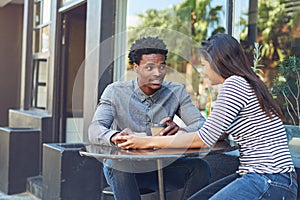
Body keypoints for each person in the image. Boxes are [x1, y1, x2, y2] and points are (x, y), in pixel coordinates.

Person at [115, 33, 298, 199]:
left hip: (269, 178)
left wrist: (146, 142)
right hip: (268, 178)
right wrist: (182, 131)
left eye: (204, 65)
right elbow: (217, 134)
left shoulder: (235, 84)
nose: (203, 71)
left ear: (218, 62)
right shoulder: (247, 83)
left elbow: (204, 139)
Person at [88, 36, 210, 200]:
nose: (158, 73)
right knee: (118, 164)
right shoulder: (115, 91)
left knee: (200, 167)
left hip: (163, 168)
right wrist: (115, 137)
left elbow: (201, 124)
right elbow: (95, 129)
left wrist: (182, 131)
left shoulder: (177, 91)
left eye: (161, 66)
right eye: (150, 67)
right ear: (136, 67)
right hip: (125, 170)